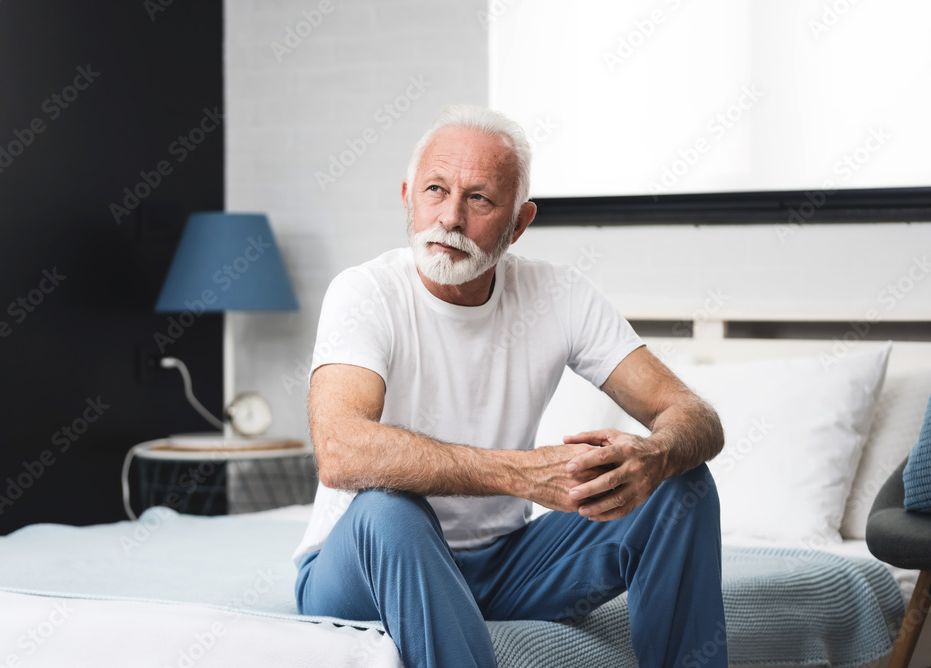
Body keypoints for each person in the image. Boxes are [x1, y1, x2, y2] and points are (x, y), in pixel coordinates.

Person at [293, 104, 727, 667]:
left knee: (681, 484)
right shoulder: (365, 293)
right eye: (435, 190)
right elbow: (340, 451)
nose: (449, 218)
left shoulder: (559, 295)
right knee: (387, 509)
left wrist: (653, 455)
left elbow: (695, 416)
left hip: (503, 566)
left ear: (519, 223)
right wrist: (521, 474)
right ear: (408, 197)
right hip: (363, 569)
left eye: (478, 199)